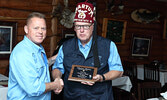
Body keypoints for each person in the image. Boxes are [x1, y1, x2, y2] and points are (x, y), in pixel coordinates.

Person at [52, 0, 124, 100]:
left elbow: (118, 71)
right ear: (74, 28)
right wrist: (57, 78)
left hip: (100, 97)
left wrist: (101, 78)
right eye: (78, 26)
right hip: (72, 97)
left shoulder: (108, 45)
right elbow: (57, 68)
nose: (81, 30)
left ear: (92, 26)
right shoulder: (65, 46)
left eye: (85, 26)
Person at [7, 12, 63, 100]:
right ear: (26, 29)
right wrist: (56, 84)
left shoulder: (37, 47)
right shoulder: (22, 52)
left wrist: (56, 57)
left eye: (43, 28)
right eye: (36, 28)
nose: (40, 32)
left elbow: (38, 66)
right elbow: (33, 88)